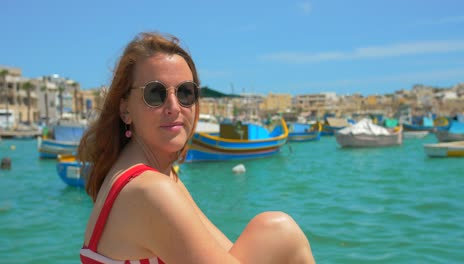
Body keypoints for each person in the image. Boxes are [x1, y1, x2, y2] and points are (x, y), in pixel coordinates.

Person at [77, 31, 315, 264]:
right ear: (125, 109)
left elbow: (226, 252)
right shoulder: (150, 190)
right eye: (155, 93)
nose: (174, 106)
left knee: (272, 230)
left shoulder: (156, 176)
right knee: (280, 232)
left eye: (185, 93)